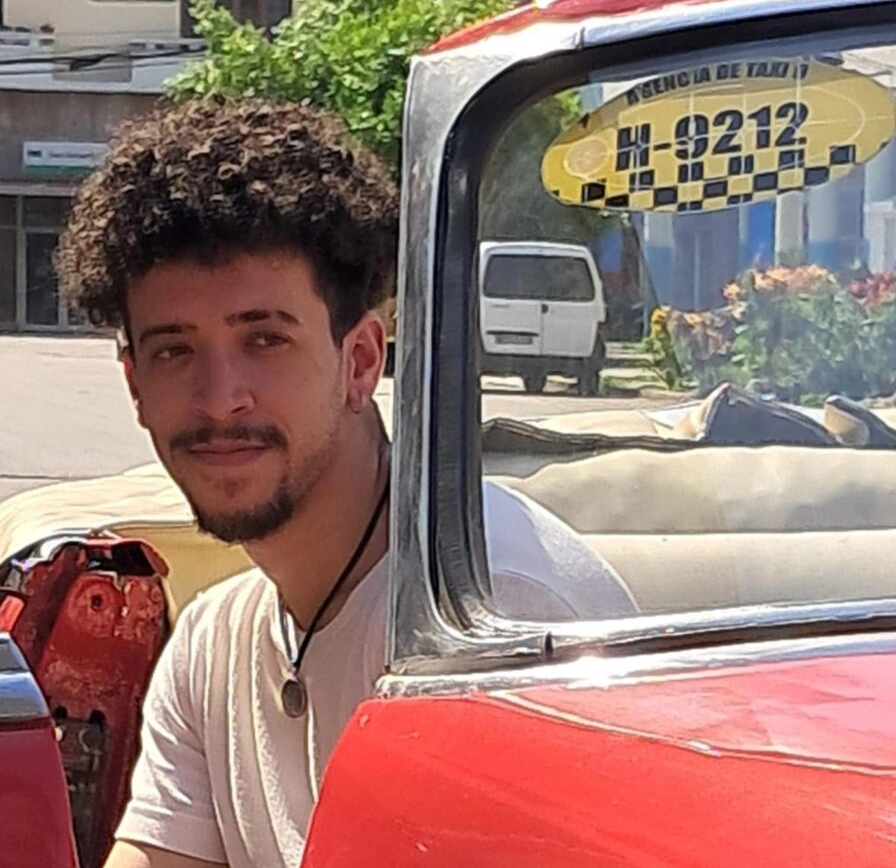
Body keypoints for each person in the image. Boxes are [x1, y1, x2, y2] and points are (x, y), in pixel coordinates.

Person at [56, 99, 635, 868]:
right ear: (135, 386)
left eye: (266, 340)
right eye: (174, 351)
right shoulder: (210, 644)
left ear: (361, 361)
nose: (220, 398)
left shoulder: (492, 618)